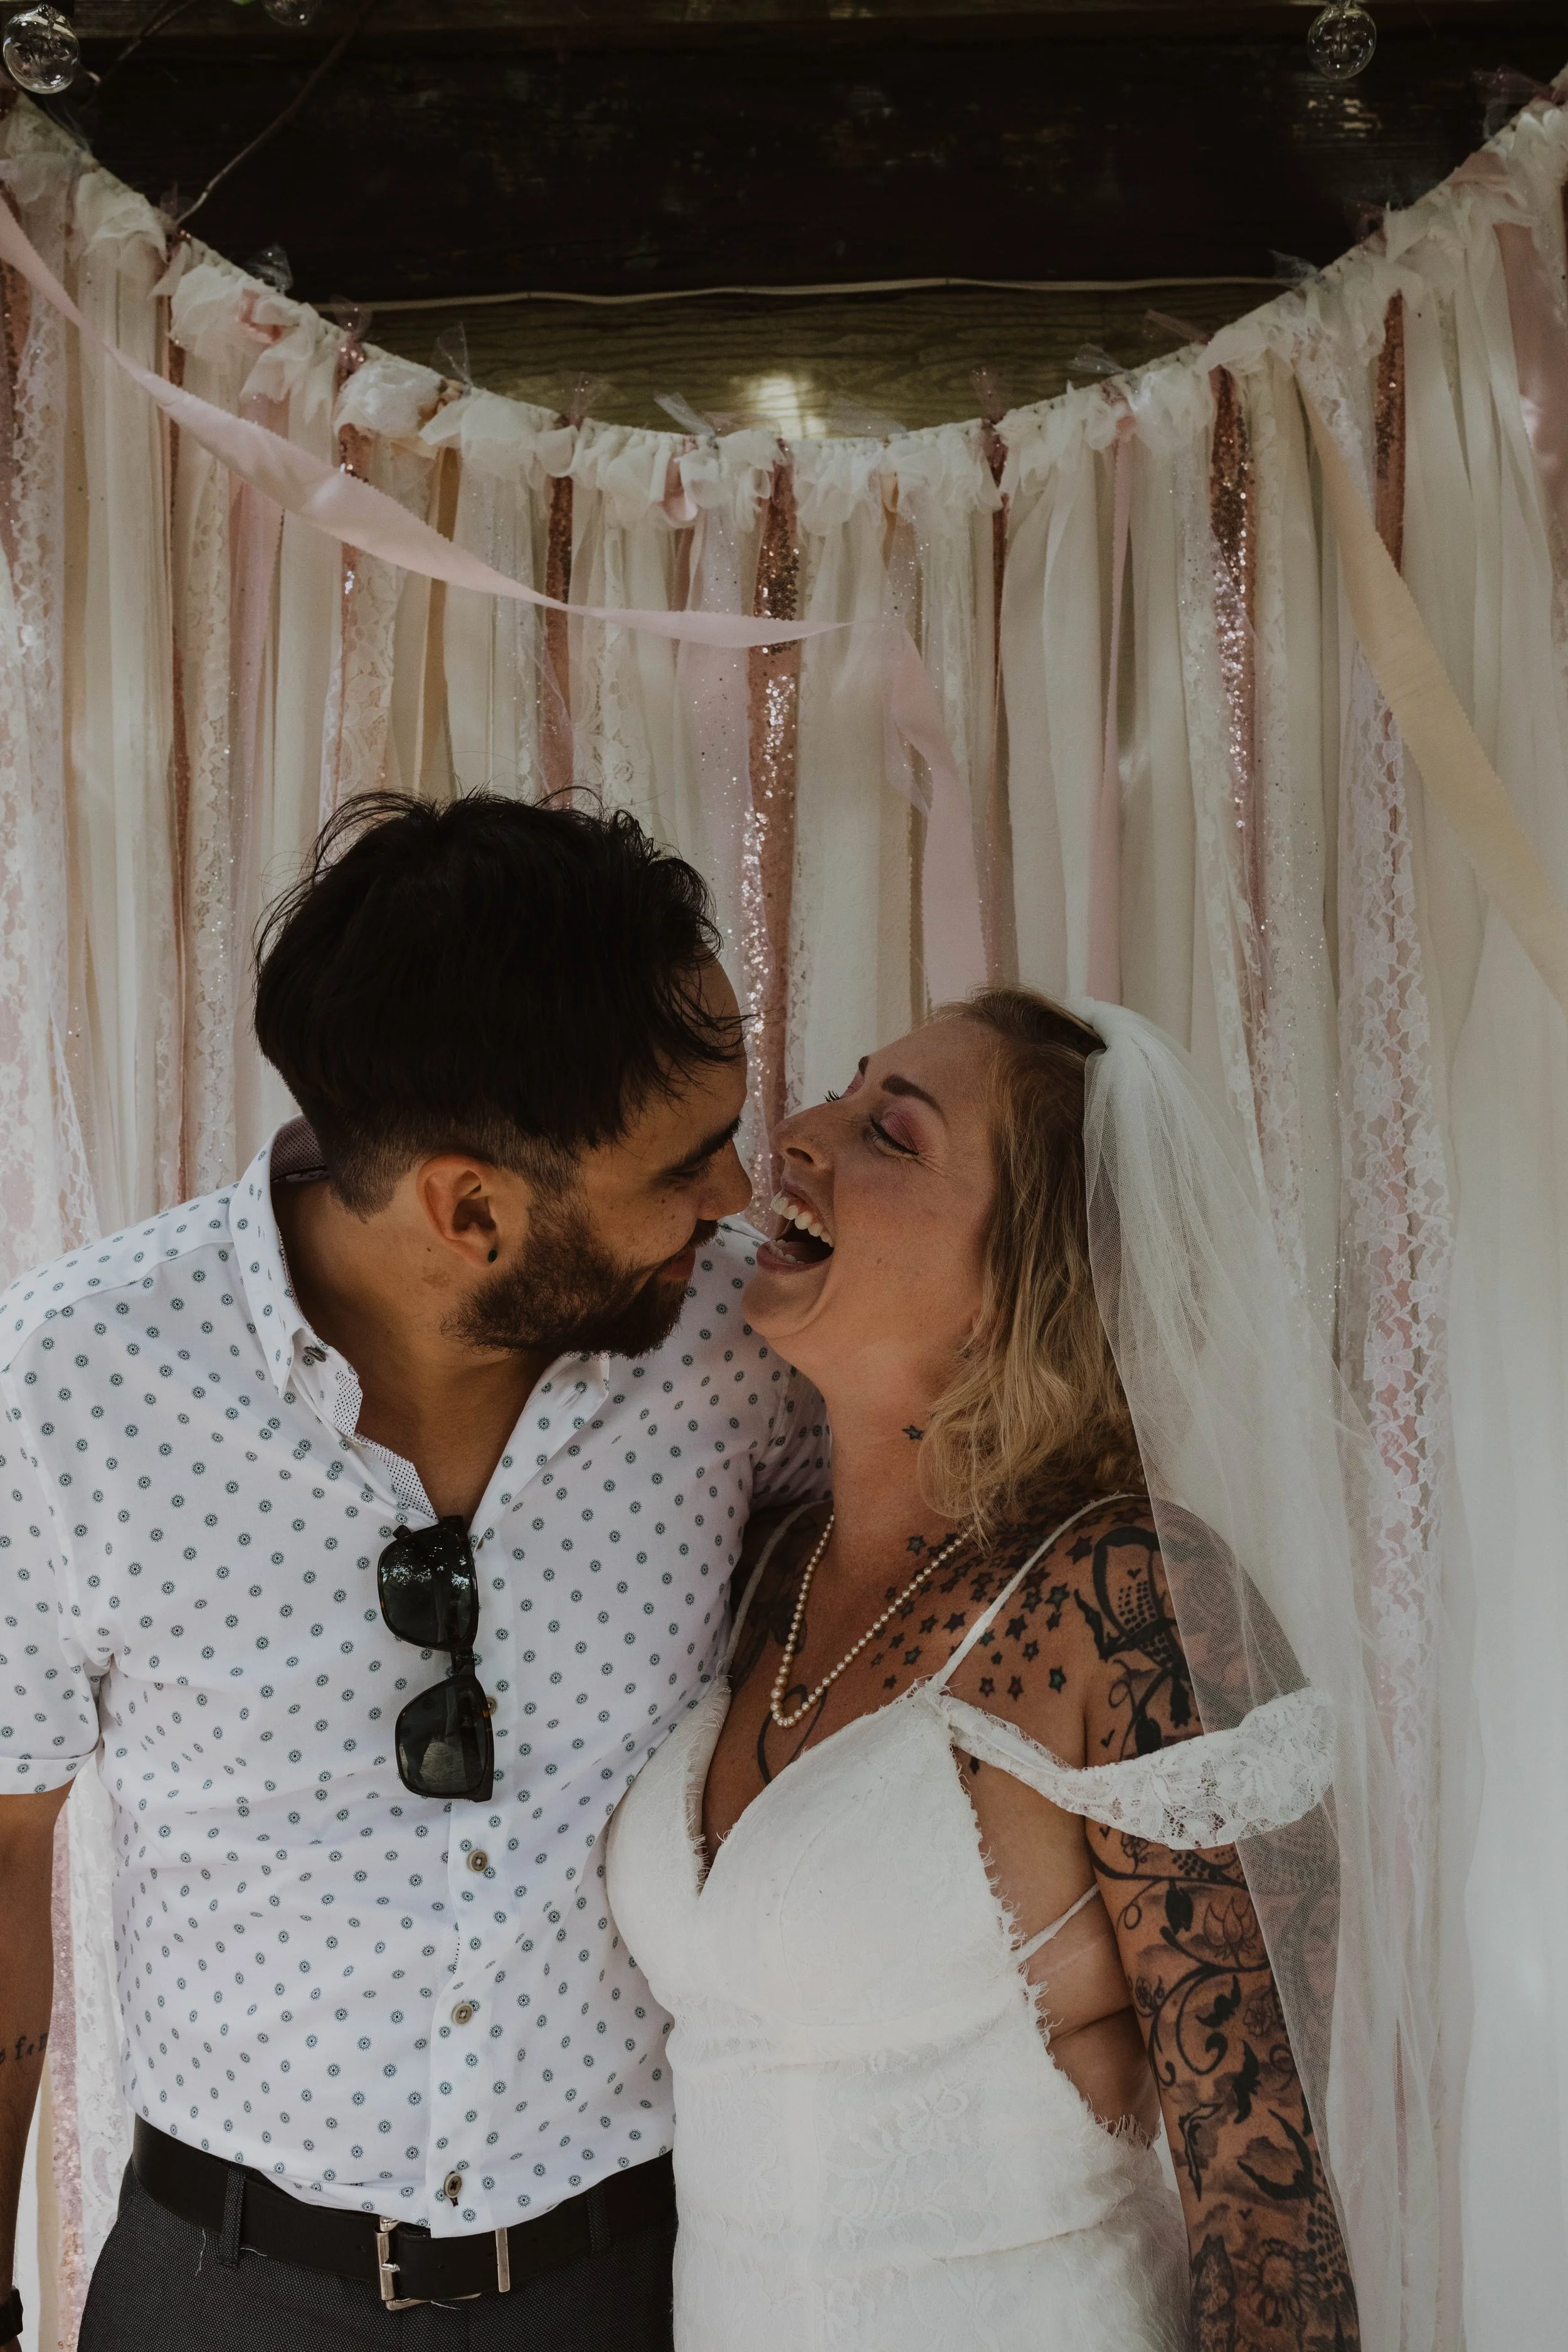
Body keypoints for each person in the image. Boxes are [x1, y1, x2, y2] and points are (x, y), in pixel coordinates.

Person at [0, 792, 827, 2352]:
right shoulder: (71, 1381)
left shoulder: (744, 1348)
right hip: (218, 2295)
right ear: (469, 1209)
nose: (732, 1200)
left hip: (643, 2285)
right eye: (686, 1163)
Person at [606, 987, 1375, 2352]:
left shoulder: (1130, 1606)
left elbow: (1270, 2219)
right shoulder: (764, 1577)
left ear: (1030, 1278)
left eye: (886, 1134)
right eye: (842, 1095)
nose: (795, 1133)